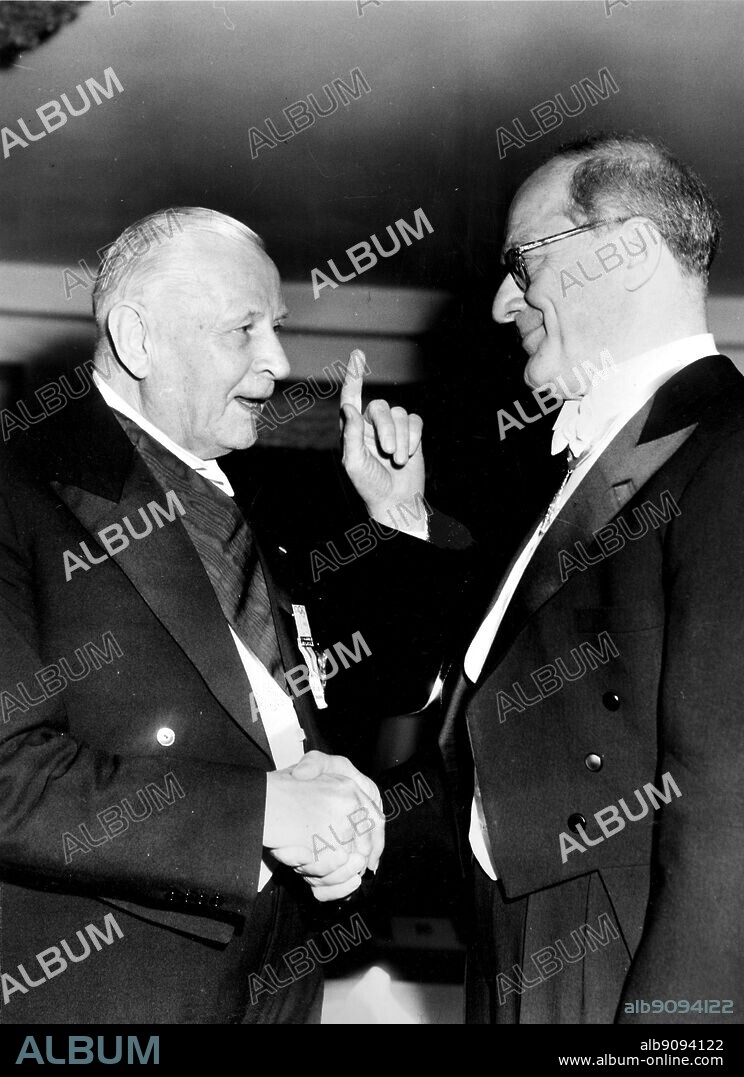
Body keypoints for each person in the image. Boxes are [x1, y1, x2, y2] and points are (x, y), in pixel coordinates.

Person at [0, 207, 433, 1024]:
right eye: (244, 329)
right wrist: (265, 814)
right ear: (138, 339)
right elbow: (8, 778)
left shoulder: (272, 500)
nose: (279, 362)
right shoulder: (17, 490)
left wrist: (394, 518)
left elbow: (385, 692)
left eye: (277, 327)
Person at [376, 133, 744, 1023]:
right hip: (519, 940)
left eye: (524, 261)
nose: (503, 301)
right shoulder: (577, 463)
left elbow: (731, 793)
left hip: (625, 958)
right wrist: (406, 523)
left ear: (633, 250)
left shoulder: (731, 448)